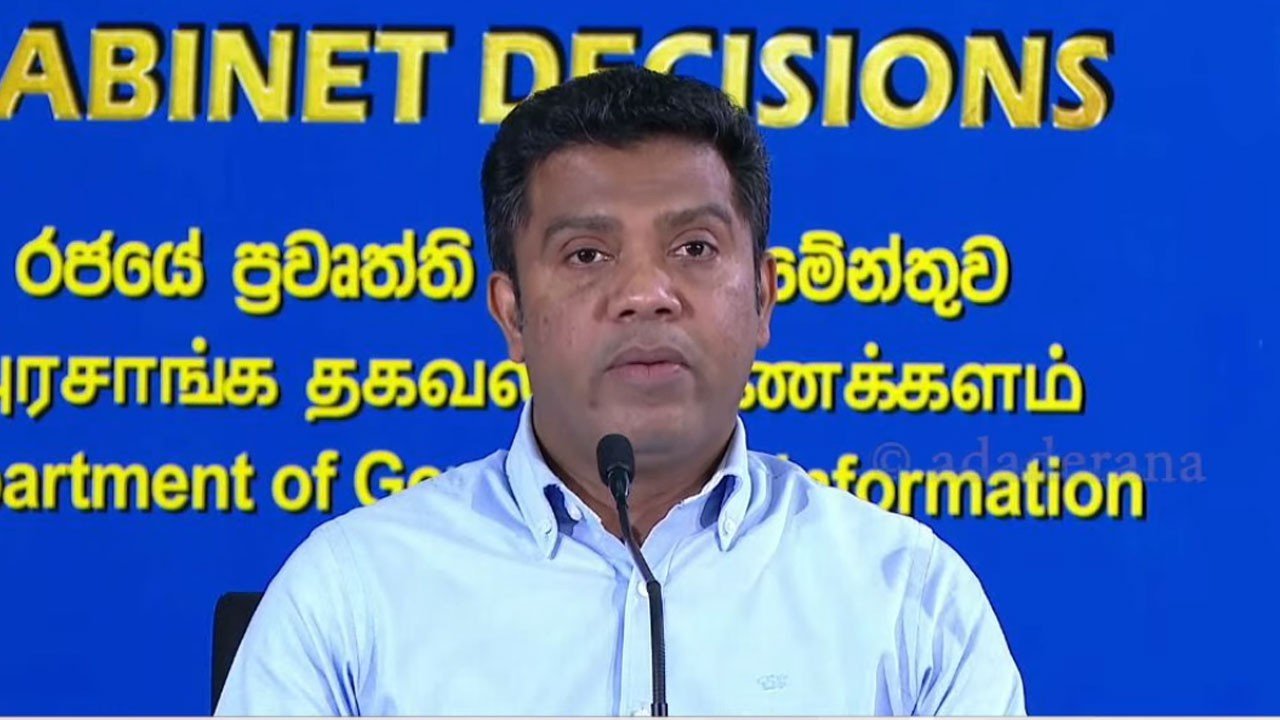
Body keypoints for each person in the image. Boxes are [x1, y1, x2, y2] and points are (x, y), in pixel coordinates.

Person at [215, 66, 1025, 716]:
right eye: (587, 255)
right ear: (512, 315)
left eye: (695, 247)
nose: (646, 293)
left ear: (763, 297)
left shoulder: (908, 598)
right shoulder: (352, 593)